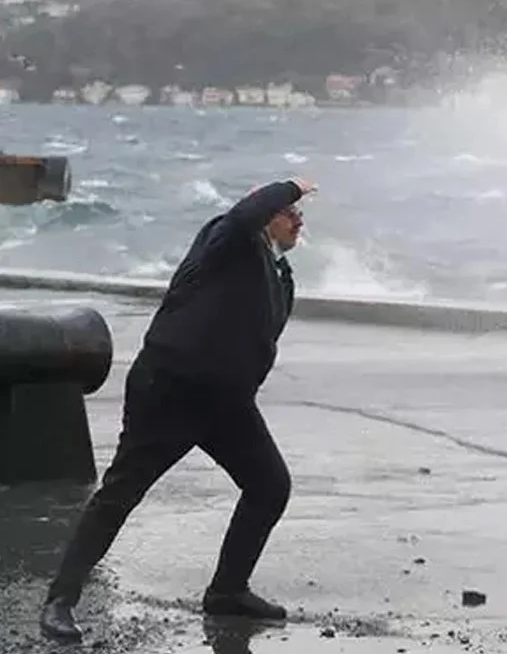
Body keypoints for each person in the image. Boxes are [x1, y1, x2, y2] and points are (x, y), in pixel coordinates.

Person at [39, 178, 317, 642]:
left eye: (298, 212)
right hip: (169, 391)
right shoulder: (227, 238)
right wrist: (289, 186)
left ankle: (227, 591)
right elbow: (244, 214)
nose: (299, 219)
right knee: (120, 495)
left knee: (270, 486)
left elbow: (259, 338)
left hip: (226, 403)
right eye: (290, 211)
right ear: (265, 213)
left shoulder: (279, 274)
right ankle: (59, 601)